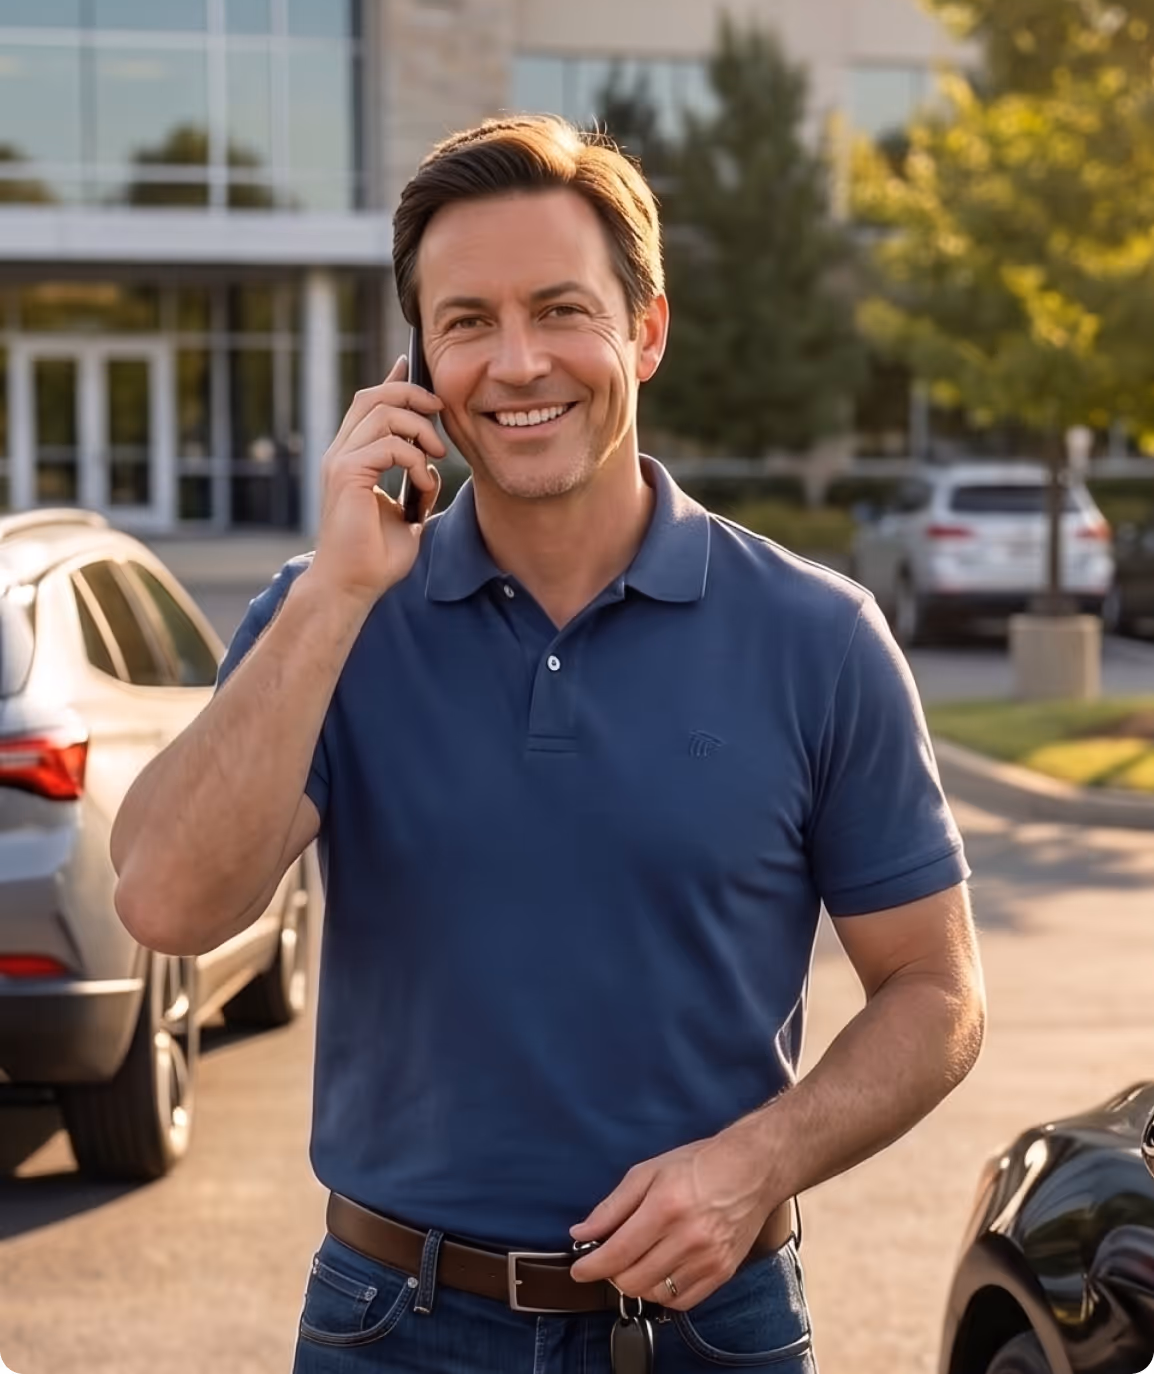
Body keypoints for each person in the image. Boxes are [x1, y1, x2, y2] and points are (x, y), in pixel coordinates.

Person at [111, 114, 986, 1373]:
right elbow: (166, 901)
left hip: (708, 1325)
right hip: (387, 1322)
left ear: (645, 328)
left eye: (559, 310)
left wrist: (759, 1162)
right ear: (416, 364)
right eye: (465, 321)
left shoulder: (816, 634)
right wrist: (334, 592)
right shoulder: (329, 615)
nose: (515, 363)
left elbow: (936, 990)